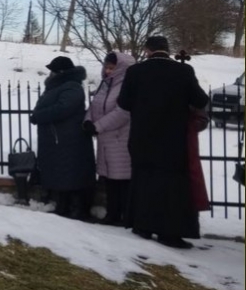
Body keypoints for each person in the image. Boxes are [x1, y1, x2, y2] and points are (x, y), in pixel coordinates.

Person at [117, 36, 209, 249]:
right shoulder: (183, 71)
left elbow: (124, 103)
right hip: (173, 140)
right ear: (167, 50)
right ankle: (170, 232)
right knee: (172, 187)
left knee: (144, 181)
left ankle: (143, 225)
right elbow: (200, 100)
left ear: (147, 50)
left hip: (142, 137)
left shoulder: (135, 72)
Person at [30, 56, 96, 220]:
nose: (50, 74)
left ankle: (77, 209)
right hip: (58, 138)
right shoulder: (57, 86)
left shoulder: (72, 87)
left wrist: (40, 116)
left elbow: (64, 108)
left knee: (71, 173)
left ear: (61, 72)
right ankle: (63, 206)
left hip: (68, 138)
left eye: (53, 70)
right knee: (62, 173)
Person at [84, 52, 136, 226]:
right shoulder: (106, 85)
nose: (107, 71)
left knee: (123, 181)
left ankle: (126, 216)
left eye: (111, 68)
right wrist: (88, 121)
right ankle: (112, 214)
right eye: (106, 67)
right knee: (111, 181)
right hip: (106, 140)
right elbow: (95, 105)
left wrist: (98, 126)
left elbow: (123, 112)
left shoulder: (127, 85)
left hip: (120, 139)